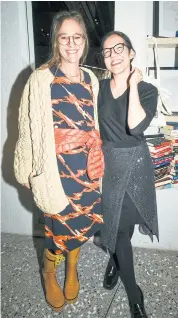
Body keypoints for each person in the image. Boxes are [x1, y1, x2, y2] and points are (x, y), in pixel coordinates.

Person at [14, 10, 104, 312]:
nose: (71, 43)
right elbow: (26, 126)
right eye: (64, 37)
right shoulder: (40, 79)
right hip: (56, 170)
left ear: (84, 41)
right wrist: (25, 167)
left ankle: (72, 268)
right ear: (56, 42)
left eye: (76, 37)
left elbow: (96, 123)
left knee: (79, 225)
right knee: (57, 226)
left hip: (87, 168)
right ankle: (49, 271)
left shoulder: (92, 78)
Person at [97, 31, 159, 318]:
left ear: (131, 53)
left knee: (128, 224)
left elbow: (135, 127)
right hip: (110, 164)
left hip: (136, 165)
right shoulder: (98, 88)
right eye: (107, 52)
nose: (113, 55)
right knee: (118, 228)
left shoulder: (146, 90)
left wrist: (133, 84)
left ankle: (116, 261)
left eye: (119, 48)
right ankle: (135, 295)